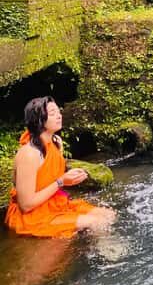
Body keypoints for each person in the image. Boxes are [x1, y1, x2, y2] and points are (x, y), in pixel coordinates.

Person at [5, 97, 116, 237]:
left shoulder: (56, 141)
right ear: (39, 120)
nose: (59, 116)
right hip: (32, 216)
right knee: (96, 222)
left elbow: (53, 175)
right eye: (53, 113)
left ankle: (102, 249)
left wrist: (73, 178)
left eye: (59, 111)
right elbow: (26, 205)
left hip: (54, 203)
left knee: (109, 215)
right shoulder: (29, 154)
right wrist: (62, 182)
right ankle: (110, 257)